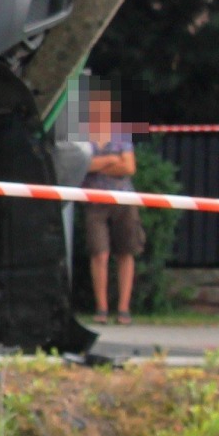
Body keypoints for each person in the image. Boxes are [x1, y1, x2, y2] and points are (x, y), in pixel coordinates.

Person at [82, 88, 143, 324]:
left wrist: (98, 164)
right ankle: (102, 308)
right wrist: (111, 160)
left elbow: (128, 167)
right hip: (94, 200)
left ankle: (124, 308)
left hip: (124, 199)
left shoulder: (121, 133)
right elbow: (82, 165)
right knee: (99, 252)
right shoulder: (83, 136)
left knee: (126, 252)